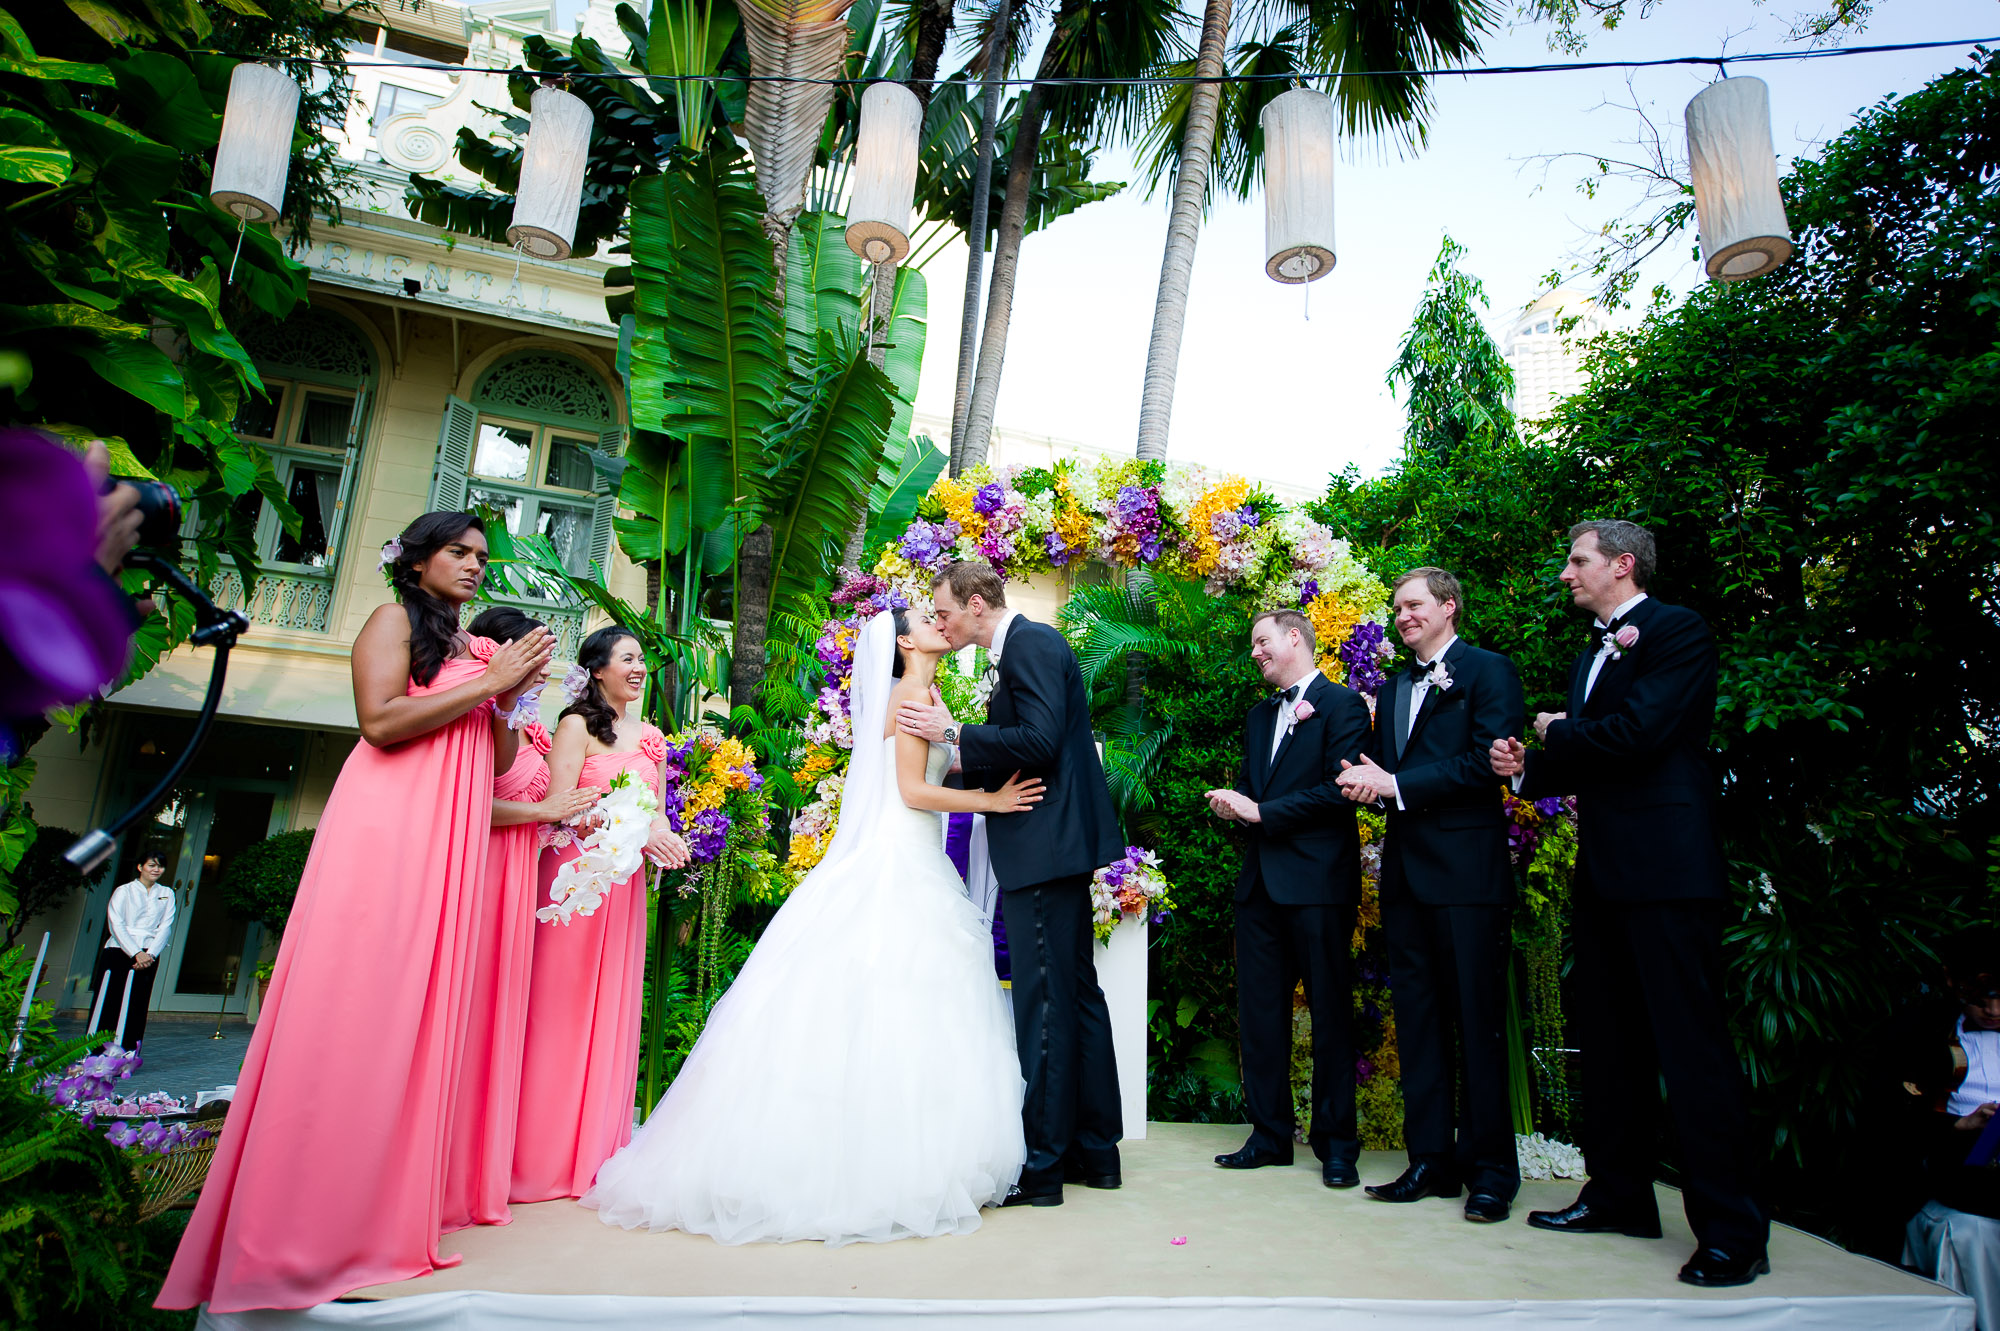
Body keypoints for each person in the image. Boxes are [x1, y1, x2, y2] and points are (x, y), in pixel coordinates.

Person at [158, 512, 555, 1313]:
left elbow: (496, 761)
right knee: (359, 1007)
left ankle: (384, 1212)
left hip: (449, 832)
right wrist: (487, 684)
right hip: (391, 823)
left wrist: (508, 696)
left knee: (417, 1015)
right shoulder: (390, 619)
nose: (475, 565)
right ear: (415, 560)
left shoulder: (470, 647)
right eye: (458, 551)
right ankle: (302, 1224)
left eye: (482, 556)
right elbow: (378, 722)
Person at [584, 606, 1036, 1243]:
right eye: (926, 618)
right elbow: (913, 790)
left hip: (915, 853)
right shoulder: (910, 695)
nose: (940, 622)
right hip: (899, 854)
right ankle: (875, 1167)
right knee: (898, 993)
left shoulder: (926, 695)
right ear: (905, 643)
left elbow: (930, 767)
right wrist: (992, 801)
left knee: (909, 998)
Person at [1490, 519, 1769, 1288]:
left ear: (1621, 564)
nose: (1566, 573)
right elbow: (1596, 757)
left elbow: (1641, 732)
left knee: (1691, 1051)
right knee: (1610, 1044)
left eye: (1576, 560)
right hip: (1607, 875)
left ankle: (1734, 1232)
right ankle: (1619, 1195)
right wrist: (1524, 769)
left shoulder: (1678, 630)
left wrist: (1560, 731)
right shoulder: (1593, 651)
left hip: (1670, 872)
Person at [897, 562, 1126, 1206]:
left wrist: (952, 734)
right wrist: (962, 760)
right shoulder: (1026, 647)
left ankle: (1045, 1167)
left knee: (1044, 1002)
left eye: (945, 612)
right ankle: (1094, 1151)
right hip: (1054, 845)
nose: (942, 624)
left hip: (1044, 845)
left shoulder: (1030, 642)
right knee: (1075, 995)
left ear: (976, 604)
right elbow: (1028, 741)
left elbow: (1041, 739)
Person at [1337, 569, 1524, 1222]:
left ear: (1449, 606)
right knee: (1417, 1023)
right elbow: (1388, 773)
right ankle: (1430, 1161)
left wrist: (1397, 785)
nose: (1403, 616)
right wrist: (1367, 782)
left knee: (1477, 1023)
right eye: (1397, 609)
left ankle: (1492, 1173)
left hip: (1468, 876)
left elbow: (1485, 765)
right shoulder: (1393, 687)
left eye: (1414, 605)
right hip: (1407, 877)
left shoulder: (1489, 671)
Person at [512, 626, 691, 1204]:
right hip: (576, 880)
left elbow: (656, 809)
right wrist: (625, 824)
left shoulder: (652, 737)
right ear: (597, 669)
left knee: (610, 1007)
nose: (639, 668)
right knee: (559, 1007)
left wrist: (660, 833)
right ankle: (538, 1156)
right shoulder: (576, 725)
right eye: (627, 658)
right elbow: (558, 809)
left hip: (623, 884)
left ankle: (592, 1154)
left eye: (642, 659)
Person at [438, 607, 599, 1233]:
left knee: (500, 1023)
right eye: (533, 655)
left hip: (520, 879)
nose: (544, 669)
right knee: (469, 1016)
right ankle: (449, 1170)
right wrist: (544, 811)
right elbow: (464, 800)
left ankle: (489, 1165)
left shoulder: (524, 725)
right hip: (481, 877)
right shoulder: (481, 716)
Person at [1203, 609, 1371, 1188]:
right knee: (1259, 1017)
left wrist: (1261, 812)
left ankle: (1337, 1146)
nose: (1254, 652)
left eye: (1262, 641)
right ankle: (1269, 1136)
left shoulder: (1343, 706)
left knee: (1330, 1015)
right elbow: (1254, 789)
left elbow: (1341, 790)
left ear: (1294, 637)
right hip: (1260, 888)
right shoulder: (1258, 716)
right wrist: (1234, 803)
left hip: (1319, 886)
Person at [90, 849, 175, 1052]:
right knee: (109, 1001)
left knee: (137, 1003)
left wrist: (150, 954)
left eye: (160, 866)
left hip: (149, 954)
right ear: (140, 867)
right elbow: (116, 924)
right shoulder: (124, 891)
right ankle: (98, 1053)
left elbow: (166, 926)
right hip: (119, 950)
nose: (156, 870)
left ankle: (129, 1052)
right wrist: (136, 952)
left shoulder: (166, 893)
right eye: (151, 865)